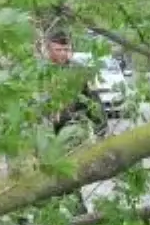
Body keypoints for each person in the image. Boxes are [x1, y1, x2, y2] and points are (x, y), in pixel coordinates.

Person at [44, 30, 108, 215]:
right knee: (49, 171)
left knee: (64, 166)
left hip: (73, 125)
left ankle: (76, 210)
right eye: (59, 50)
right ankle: (58, 211)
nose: (63, 54)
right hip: (46, 130)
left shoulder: (79, 71)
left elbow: (93, 101)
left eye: (67, 49)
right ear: (48, 50)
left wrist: (100, 130)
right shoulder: (40, 72)